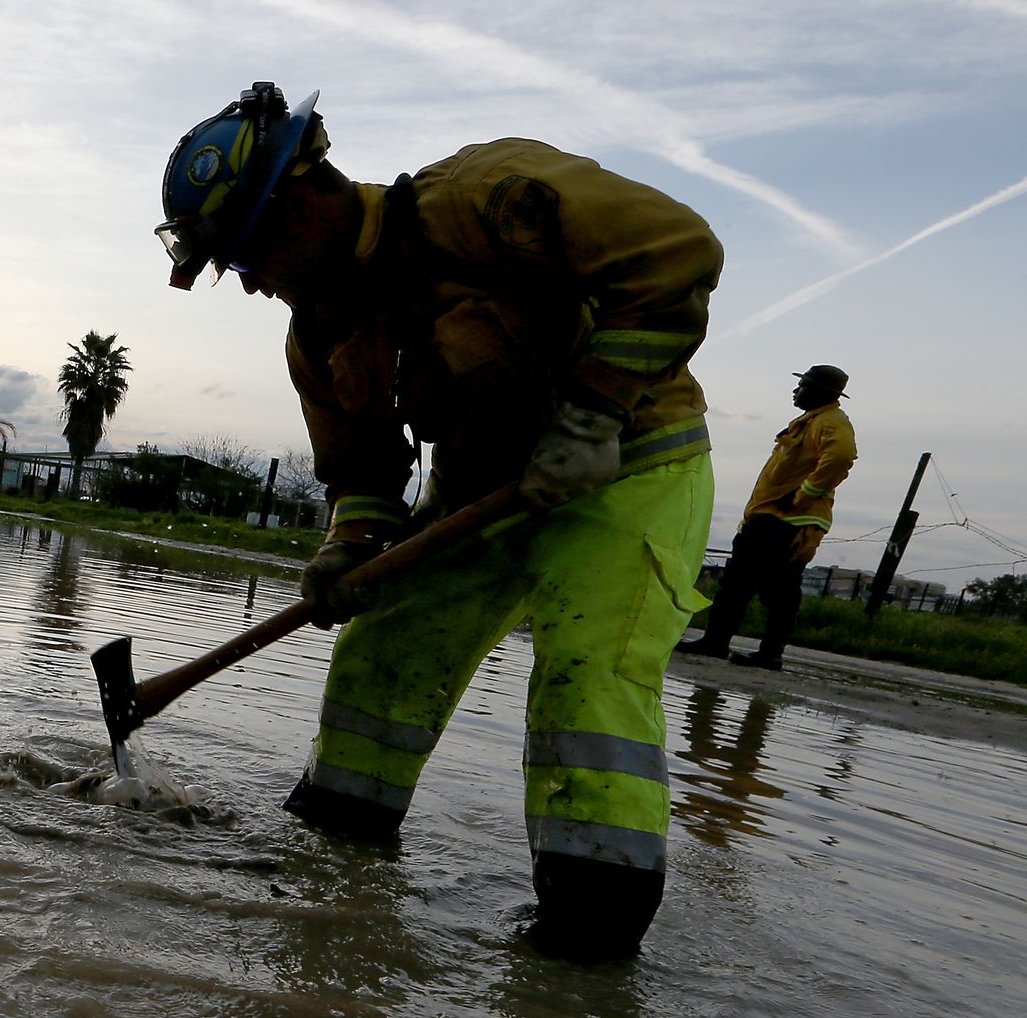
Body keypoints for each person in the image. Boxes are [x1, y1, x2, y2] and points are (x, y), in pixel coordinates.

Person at [156, 83, 724, 961]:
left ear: (301, 206)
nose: (253, 285)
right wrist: (347, 547)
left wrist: (595, 413)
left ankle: (583, 959)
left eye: (245, 258)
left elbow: (679, 253)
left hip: (629, 467)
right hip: (480, 495)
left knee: (587, 686)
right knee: (378, 658)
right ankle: (334, 881)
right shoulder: (319, 335)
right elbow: (366, 472)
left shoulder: (486, 198)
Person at [676, 365, 857, 670]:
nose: (795, 391)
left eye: (803, 386)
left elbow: (840, 457)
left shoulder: (831, 422)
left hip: (788, 522)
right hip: (768, 517)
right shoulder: (812, 421)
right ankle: (716, 642)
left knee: (778, 591)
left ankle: (769, 653)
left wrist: (804, 495)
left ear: (821, 392)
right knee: (736, 585)